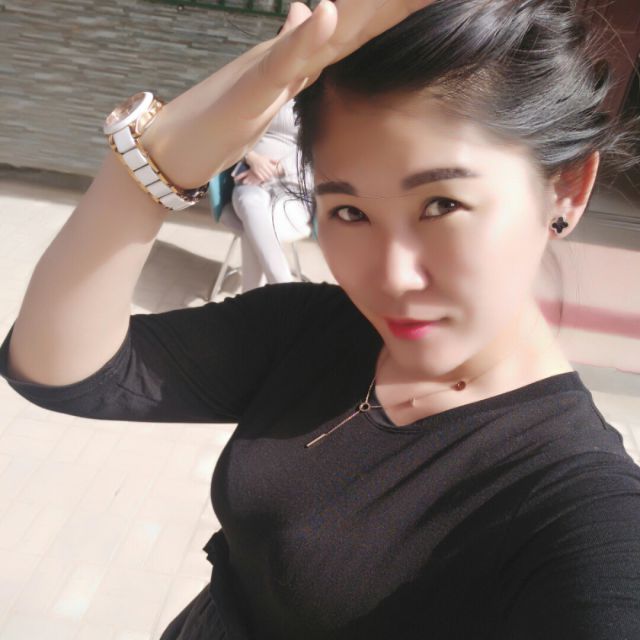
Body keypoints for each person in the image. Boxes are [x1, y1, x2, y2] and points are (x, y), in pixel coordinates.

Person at [1, 1, 639, 638]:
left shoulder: (578, 502)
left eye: (442, 204)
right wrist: (157, 163)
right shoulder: (312, 330)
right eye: (349, 212)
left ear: (567, 189)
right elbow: (65, 370)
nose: (392, 277)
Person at [228, 99, 310, 292]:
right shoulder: (261, 92)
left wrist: (278, 168)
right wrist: (252, 158)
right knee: (249, 204)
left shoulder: (320, 98)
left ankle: (253, 302)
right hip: (251, 179)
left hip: (293, 185)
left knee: (256, 229)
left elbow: (321, 149)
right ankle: (284, 291)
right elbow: (229, 131)